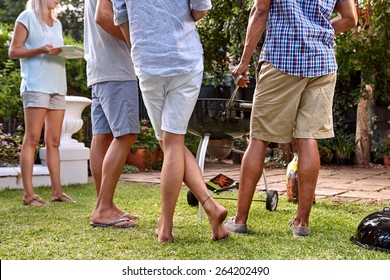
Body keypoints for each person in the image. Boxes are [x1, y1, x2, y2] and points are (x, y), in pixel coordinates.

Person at [225, 0, 358, 237]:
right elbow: (350, 18)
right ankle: (301, 223)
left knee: (259, 139)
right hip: (322, 61)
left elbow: (260, 10)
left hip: (281, 59)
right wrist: (318, 32)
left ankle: (240, 220)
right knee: (308, 138)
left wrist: (244, 62)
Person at [111, 0, 229, 242]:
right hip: (184, 59)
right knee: (172, 141)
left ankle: (166, 227)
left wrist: (143, 47)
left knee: (169, 142)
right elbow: (201, 9)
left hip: (148, 63)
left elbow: (122, 18)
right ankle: (210, 207)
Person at [8, 0, 74, 206]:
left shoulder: (58, 23)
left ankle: (57, 192)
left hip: (57, 86)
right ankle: (28, 195)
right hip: (36, 85)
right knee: (32, 139)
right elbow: (13, 51)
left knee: (54, 141)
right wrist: (41, 50)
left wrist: (69, 54)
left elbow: (56, 52)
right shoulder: (26, 17)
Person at [84, 0, 139, 228]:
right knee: (126, 135)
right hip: (117, 68)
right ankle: (104, 207)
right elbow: (103, 15)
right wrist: (136, 43)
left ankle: (103, 205)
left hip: (99, 68)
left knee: (103, 137)